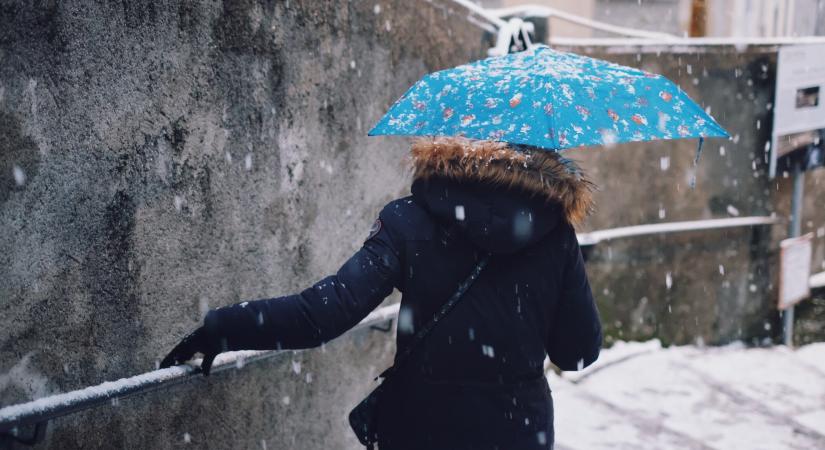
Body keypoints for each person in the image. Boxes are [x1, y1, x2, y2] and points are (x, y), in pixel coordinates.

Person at [161, 137, 602, 449]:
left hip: (420, 428)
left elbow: (323, 314)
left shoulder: (412, 218)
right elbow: (577, 353)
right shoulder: (554, 235)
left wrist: (222, 328)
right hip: (516, 432)